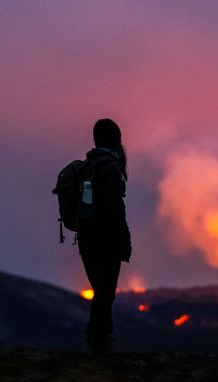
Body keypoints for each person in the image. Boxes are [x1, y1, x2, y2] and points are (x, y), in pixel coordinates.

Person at [77, 118, 132, 356]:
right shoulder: (110, 168)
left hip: (86, 236)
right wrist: (124, 239)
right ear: (116, 139)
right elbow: (114, 207)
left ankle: (99, 341)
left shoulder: (87, 165)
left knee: (100, 289)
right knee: (105, 291)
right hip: (107, 237)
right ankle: (99, 342)